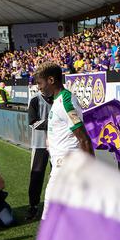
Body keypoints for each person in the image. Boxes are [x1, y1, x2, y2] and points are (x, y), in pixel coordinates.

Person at [33, 62, 94, 220]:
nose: (38, 87)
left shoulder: (65, 102)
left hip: (66, 168)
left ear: (51, 80)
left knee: (49, 217)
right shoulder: (59, 100)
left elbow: (84, 139)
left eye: (40, 83)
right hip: (62, 166)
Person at [26, 91, 52, 221]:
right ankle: (33, 206)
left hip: (57, 146)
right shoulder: (35, 99)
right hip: (40, 144)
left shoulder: (59, 97)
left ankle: (56, 205)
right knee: (36, 176)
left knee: (58, 177)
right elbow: (32, 122)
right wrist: (53, 122)